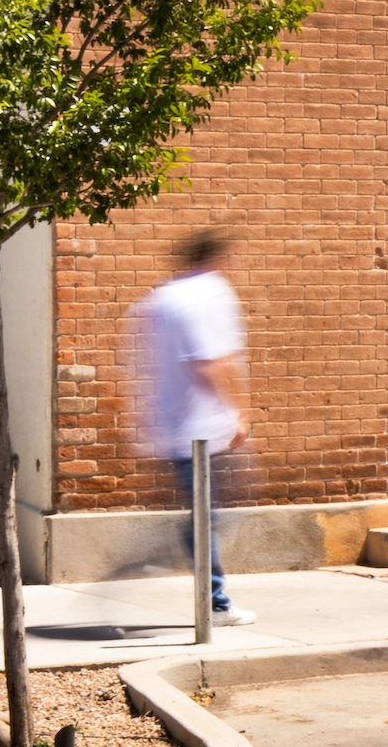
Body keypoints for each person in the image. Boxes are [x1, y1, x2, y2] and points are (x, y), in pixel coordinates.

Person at [139, 230, 256, 627]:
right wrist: (237, 413)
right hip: (203, 428)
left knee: (206, 515)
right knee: (211, 516)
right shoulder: (211, 293)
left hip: (169, 426)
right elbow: (210, 362)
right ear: (219, 258)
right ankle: (214, 603)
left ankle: (195, 575)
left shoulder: (162, 297)